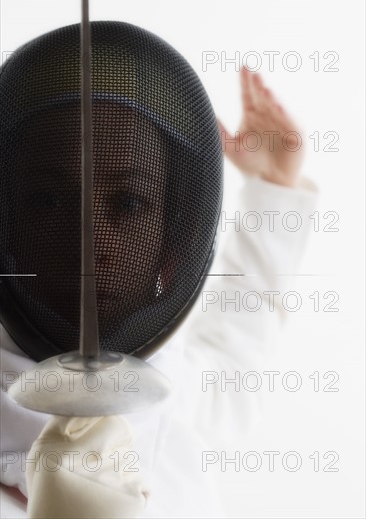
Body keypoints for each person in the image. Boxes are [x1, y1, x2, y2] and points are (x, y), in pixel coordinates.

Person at [0, 66, 317, 518]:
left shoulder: (178, 393)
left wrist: (274, 193)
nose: (89, 243)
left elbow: (237, 343)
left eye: (128, 203)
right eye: (49, 200)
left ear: (171, 243)